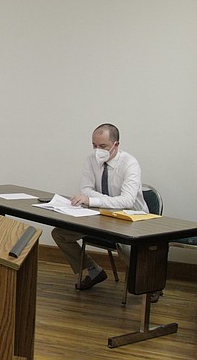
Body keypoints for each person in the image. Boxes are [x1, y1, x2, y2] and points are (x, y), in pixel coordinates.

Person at [51, 123, 151, 295]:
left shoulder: (130, 163)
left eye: (103, 146)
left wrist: (93, 200)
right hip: (99, 215)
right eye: (94, 145)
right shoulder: (91, 159)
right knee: (60, 234)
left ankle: (148, 282)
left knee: (127, 246)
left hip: (129, 218)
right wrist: (100, 200)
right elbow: (86, 189)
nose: (97, 150)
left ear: (116, 145)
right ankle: (93, 270)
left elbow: (126, 201)